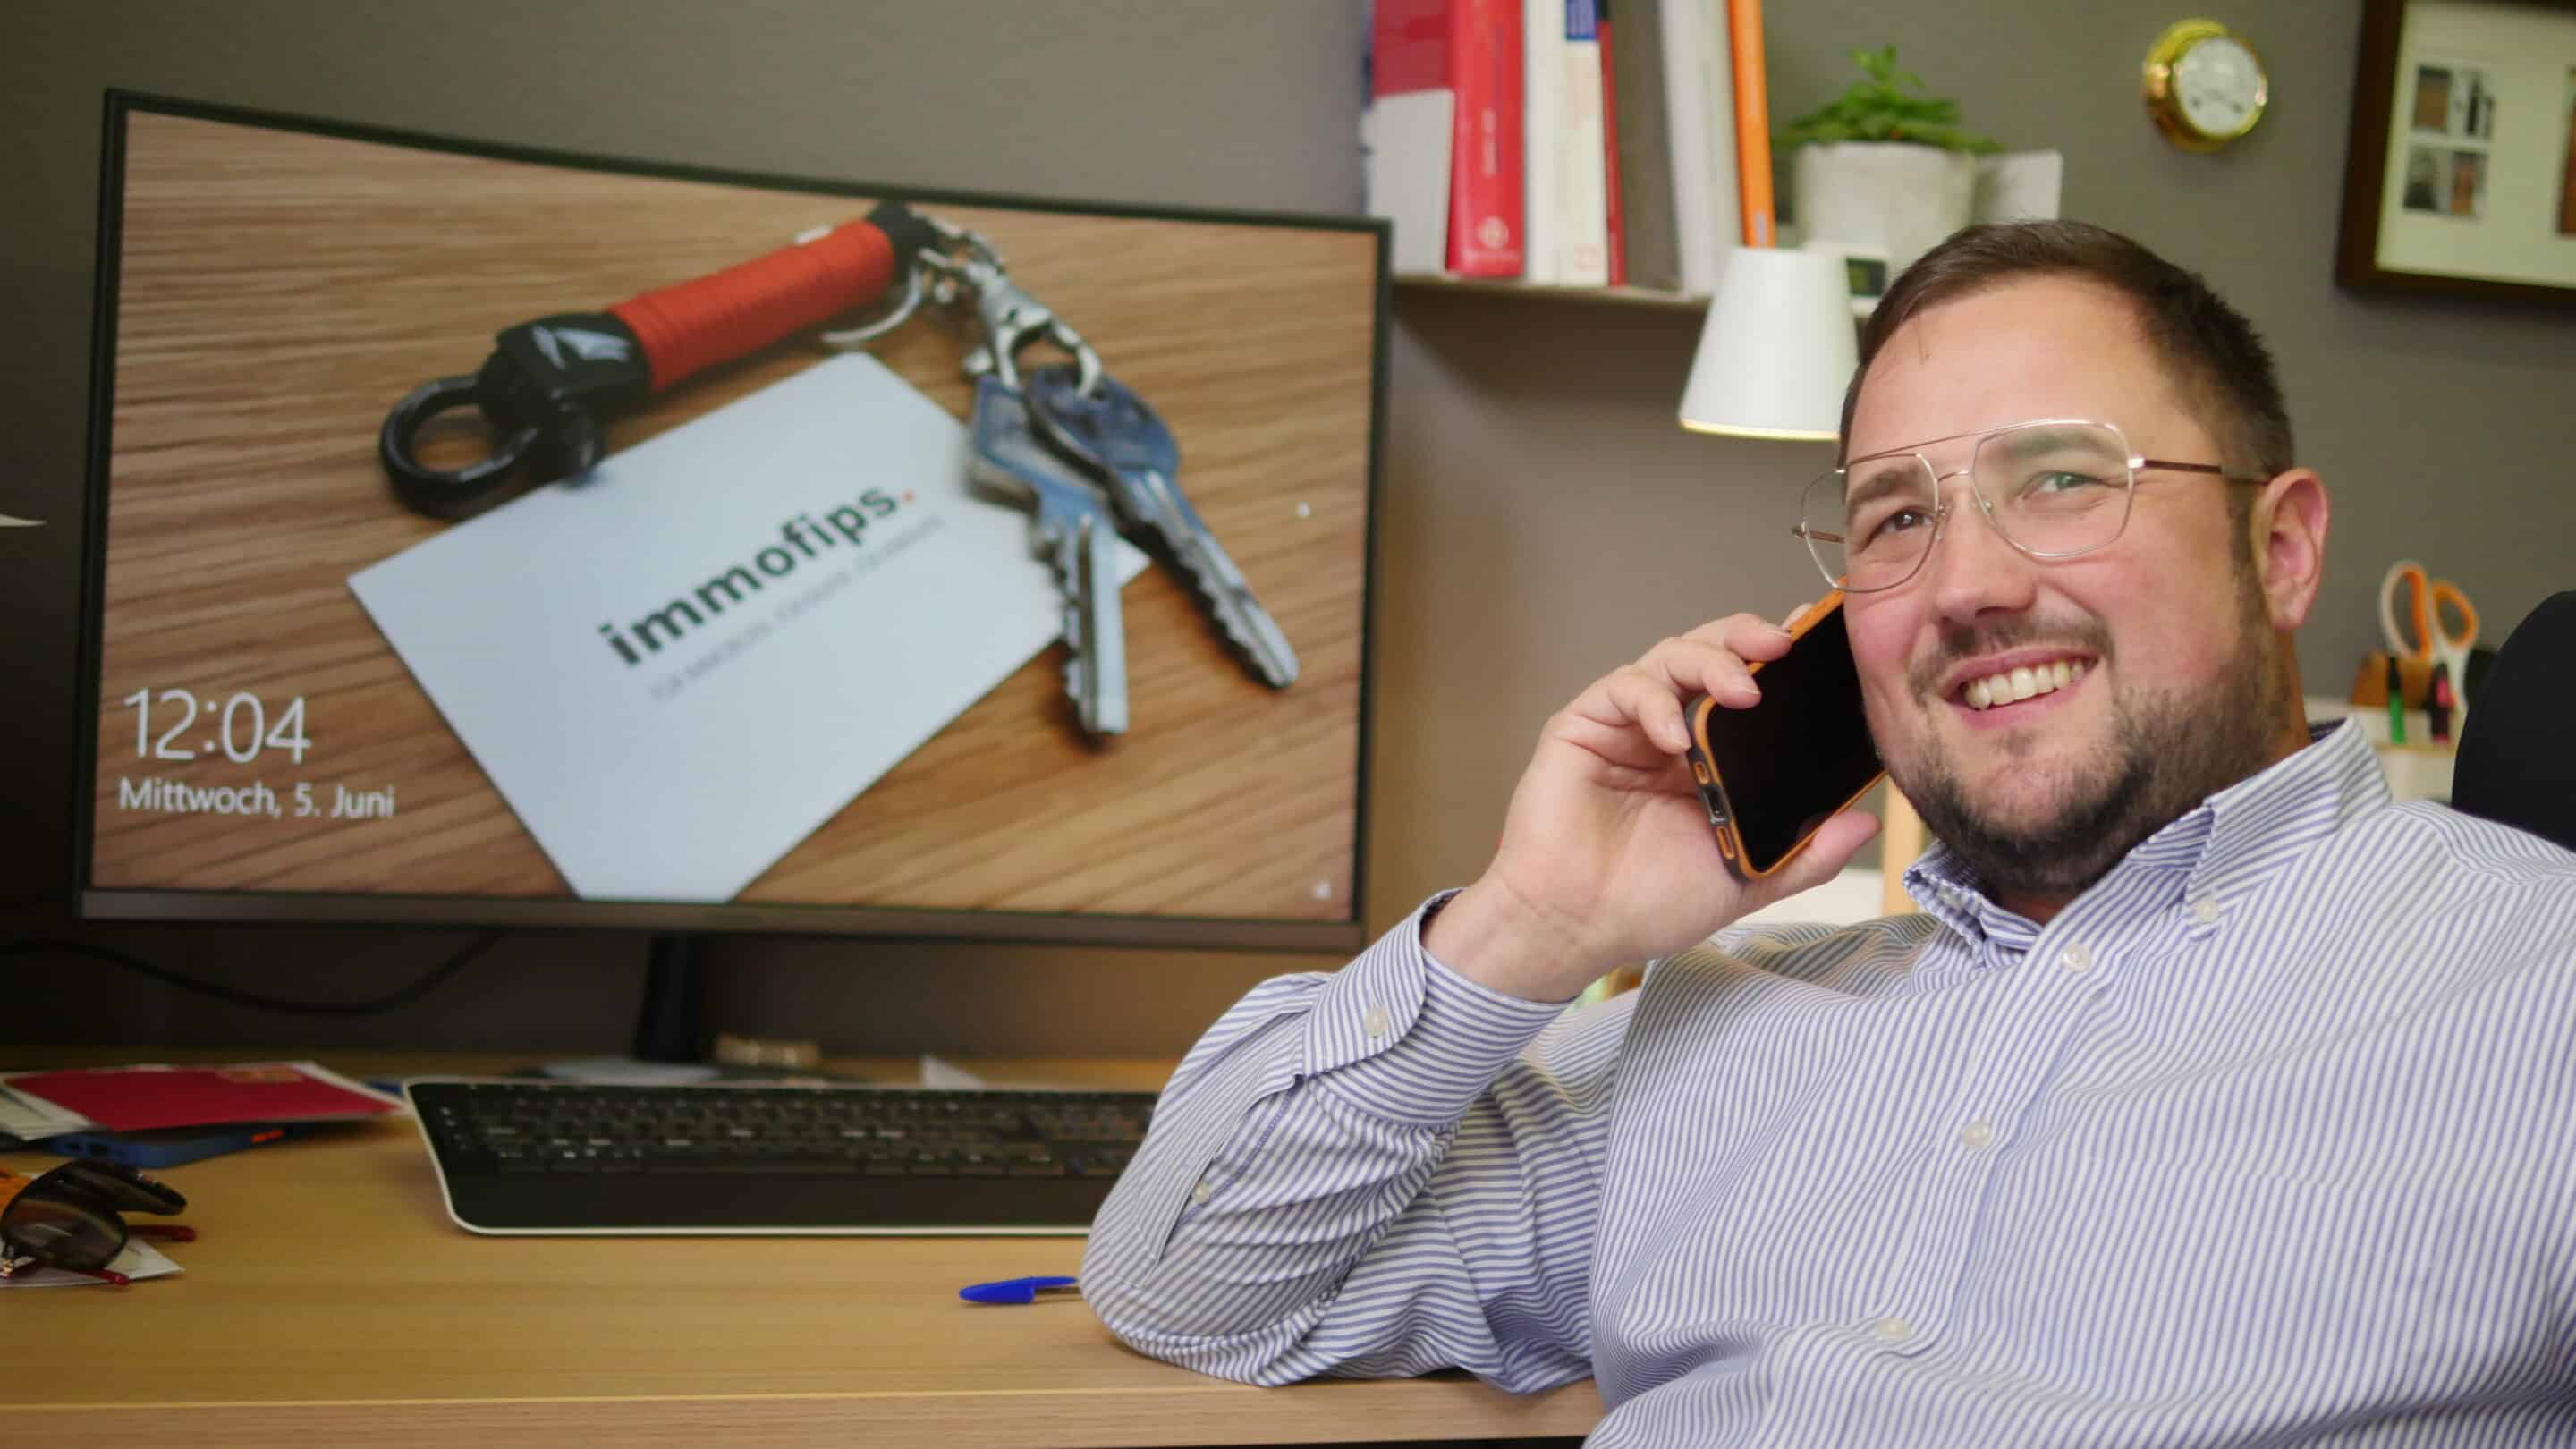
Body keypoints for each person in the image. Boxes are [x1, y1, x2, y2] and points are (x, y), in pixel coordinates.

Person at [1080, 221, 2576, 1445]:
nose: (1966, 584)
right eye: (1892, 518)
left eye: (2060, 479)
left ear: (2284, 547)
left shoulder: (2538, 988)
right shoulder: (1723, 1022)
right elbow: (1187, 1282)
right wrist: (1538, 924)